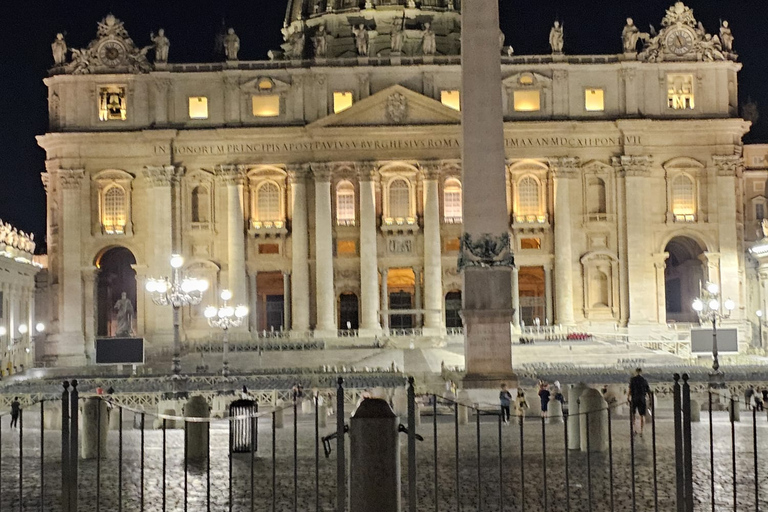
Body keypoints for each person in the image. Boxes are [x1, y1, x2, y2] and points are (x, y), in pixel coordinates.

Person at [628, 368, 651, 436]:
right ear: (641, 372)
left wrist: (628, 397)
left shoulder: (633, 380)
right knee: (642, 415)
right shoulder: (644, 380)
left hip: (634, 398)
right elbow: (648, 390)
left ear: (636, 372)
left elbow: (630, 389)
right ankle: (641, 431)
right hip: (642, 398)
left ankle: (634, 429)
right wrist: (650, 399)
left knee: (633, 414)